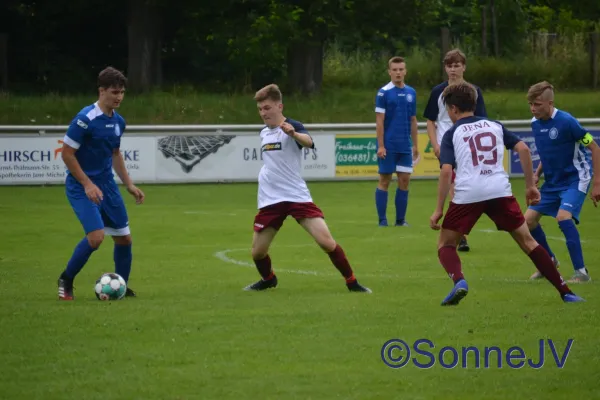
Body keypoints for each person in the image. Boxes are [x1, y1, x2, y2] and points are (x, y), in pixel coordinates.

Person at [429, 82, 584, 305]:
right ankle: (566, 292)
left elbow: (446, 171)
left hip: (469, 193)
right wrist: (530, 185)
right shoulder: (494, 125)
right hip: (498, 190)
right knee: (528, 242)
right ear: (474, 104)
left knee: (445, 244)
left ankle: (459, 282)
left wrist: (438, 210)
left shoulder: (452, 132)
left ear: (453, 109)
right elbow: (522, 148)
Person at [245, 83, 371, 293]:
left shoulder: (292, 126)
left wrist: (293, 134)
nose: (263, 113)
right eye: (260, 109)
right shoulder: (263, 133)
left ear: (279, 106)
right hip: (270, 198)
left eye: (267, 108)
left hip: (296, 195)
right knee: (257, 253)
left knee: (326, 242)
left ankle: (352, 282)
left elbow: (309, 142)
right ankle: (269, 279)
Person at [58, 66, 145, 300]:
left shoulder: (119, 122)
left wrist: (129, 184)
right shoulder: (85, 119)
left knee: (124, 239)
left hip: (107, 185)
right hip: (81, 186)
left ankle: (122, 286)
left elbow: (115, 153)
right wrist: (87, 184)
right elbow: (67, 154)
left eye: (122, 92)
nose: (119, 97)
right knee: (96, 237)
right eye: (114, 92)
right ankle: (66, 279)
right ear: (102, 91)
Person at [525, 81, 600, 282]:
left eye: (538, 104)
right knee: (528, 221)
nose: (533, 108)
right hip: (552, 183)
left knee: (563, 217)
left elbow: (594, 147)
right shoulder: (535, 123)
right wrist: (537, 174)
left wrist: (597, 183)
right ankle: (548, 262)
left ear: (550, 103)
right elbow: (547, 153)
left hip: (575, 179)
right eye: (531, 104)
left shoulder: (568, 122)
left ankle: (581, 273)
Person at [424, 49, 487, 252]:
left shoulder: (474, 91)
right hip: (447, 146)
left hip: (468, 146)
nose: (453, 69)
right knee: (454, 187)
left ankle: (459, 231)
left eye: (456, 65)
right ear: (445, 68)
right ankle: (461, 235)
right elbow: (431, 121)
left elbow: (482, 120)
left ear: (464, 67)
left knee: (463, 187)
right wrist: (435, 145)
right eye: (449, 65)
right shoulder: (437, 92)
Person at [374, 56, 419, 227]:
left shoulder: (411, 92)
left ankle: (400, 220)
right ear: (389, 72)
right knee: (385, 180)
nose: (398, 72)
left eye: (401, 69)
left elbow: (413, 119)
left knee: (404, 180)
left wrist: (415, 144)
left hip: (404, 145)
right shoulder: (383, 93)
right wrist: (381, 145)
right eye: (395, 70)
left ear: (405, 71)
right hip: (389, 145)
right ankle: (382, 220)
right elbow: (379, 121)